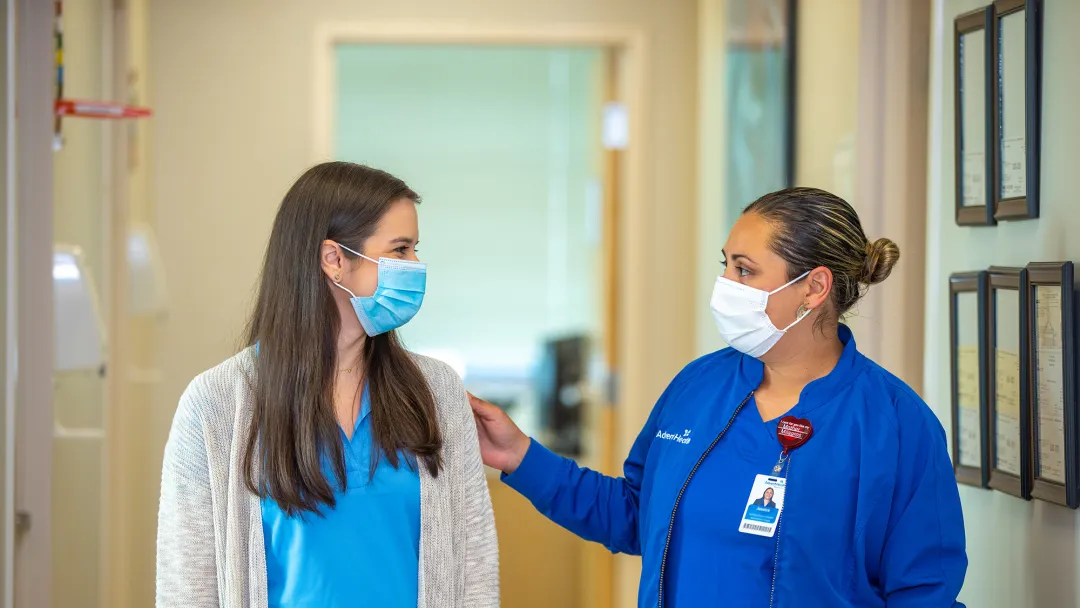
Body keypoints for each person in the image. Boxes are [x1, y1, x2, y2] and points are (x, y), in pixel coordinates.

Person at [471, 187, 967, 607]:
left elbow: (925, 592)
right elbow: (634, 515)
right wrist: (518, 455)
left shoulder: (896, 424)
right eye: (725, 265)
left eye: (745, 270)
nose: (724, 286)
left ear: (814, 287)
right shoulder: (700, 387)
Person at [156, 162, 499, 608]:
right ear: (333, 259)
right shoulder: (217, 404)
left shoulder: (436, 392)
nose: (415, 266)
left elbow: (474, 566)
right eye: (399, 250)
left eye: (415, 249)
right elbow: (189, 587)